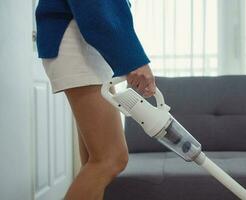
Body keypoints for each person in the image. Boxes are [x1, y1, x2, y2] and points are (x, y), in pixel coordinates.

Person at [35, 0, 156, 199]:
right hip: (77, 38)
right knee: (112, 158)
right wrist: (134, 59)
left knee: (96, 160)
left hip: (85, 40)